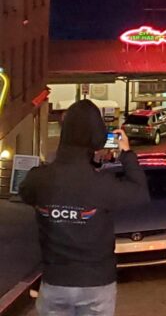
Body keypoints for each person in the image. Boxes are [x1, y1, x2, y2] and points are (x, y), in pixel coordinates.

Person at [20, 99, 149, 316]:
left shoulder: (38, 179)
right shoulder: (103, 184)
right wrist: (126, 153)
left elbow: (25, 193)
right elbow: (140, 193)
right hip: (96, 282)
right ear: (97, 137)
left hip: (56, 281)